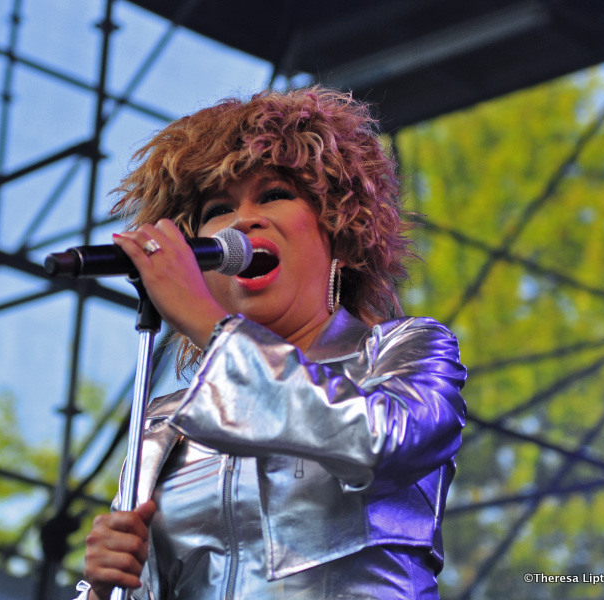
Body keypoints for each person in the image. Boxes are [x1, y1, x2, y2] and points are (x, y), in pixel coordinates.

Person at [74, 86, 467, 600]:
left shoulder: (405, 352)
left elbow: (377, 443)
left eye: (274, 195)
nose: (243, 220)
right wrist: (102, 589)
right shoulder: (164, 426)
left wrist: (209, 325)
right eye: (218, 208)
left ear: (342, 236)